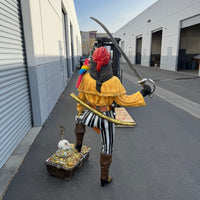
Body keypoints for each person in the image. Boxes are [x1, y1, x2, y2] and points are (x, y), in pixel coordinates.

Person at [74, 47, 151, 187]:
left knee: (78, 116)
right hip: (106, 118)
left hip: (90, 114)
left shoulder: (86, 78)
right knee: (107, 147)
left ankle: (78, 144)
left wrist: (80, 112)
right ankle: (104, 178)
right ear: (108, 61)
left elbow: (82, 100)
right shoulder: (114, 81)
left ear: (93, 60)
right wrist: (143, 93)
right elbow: (124, 101)